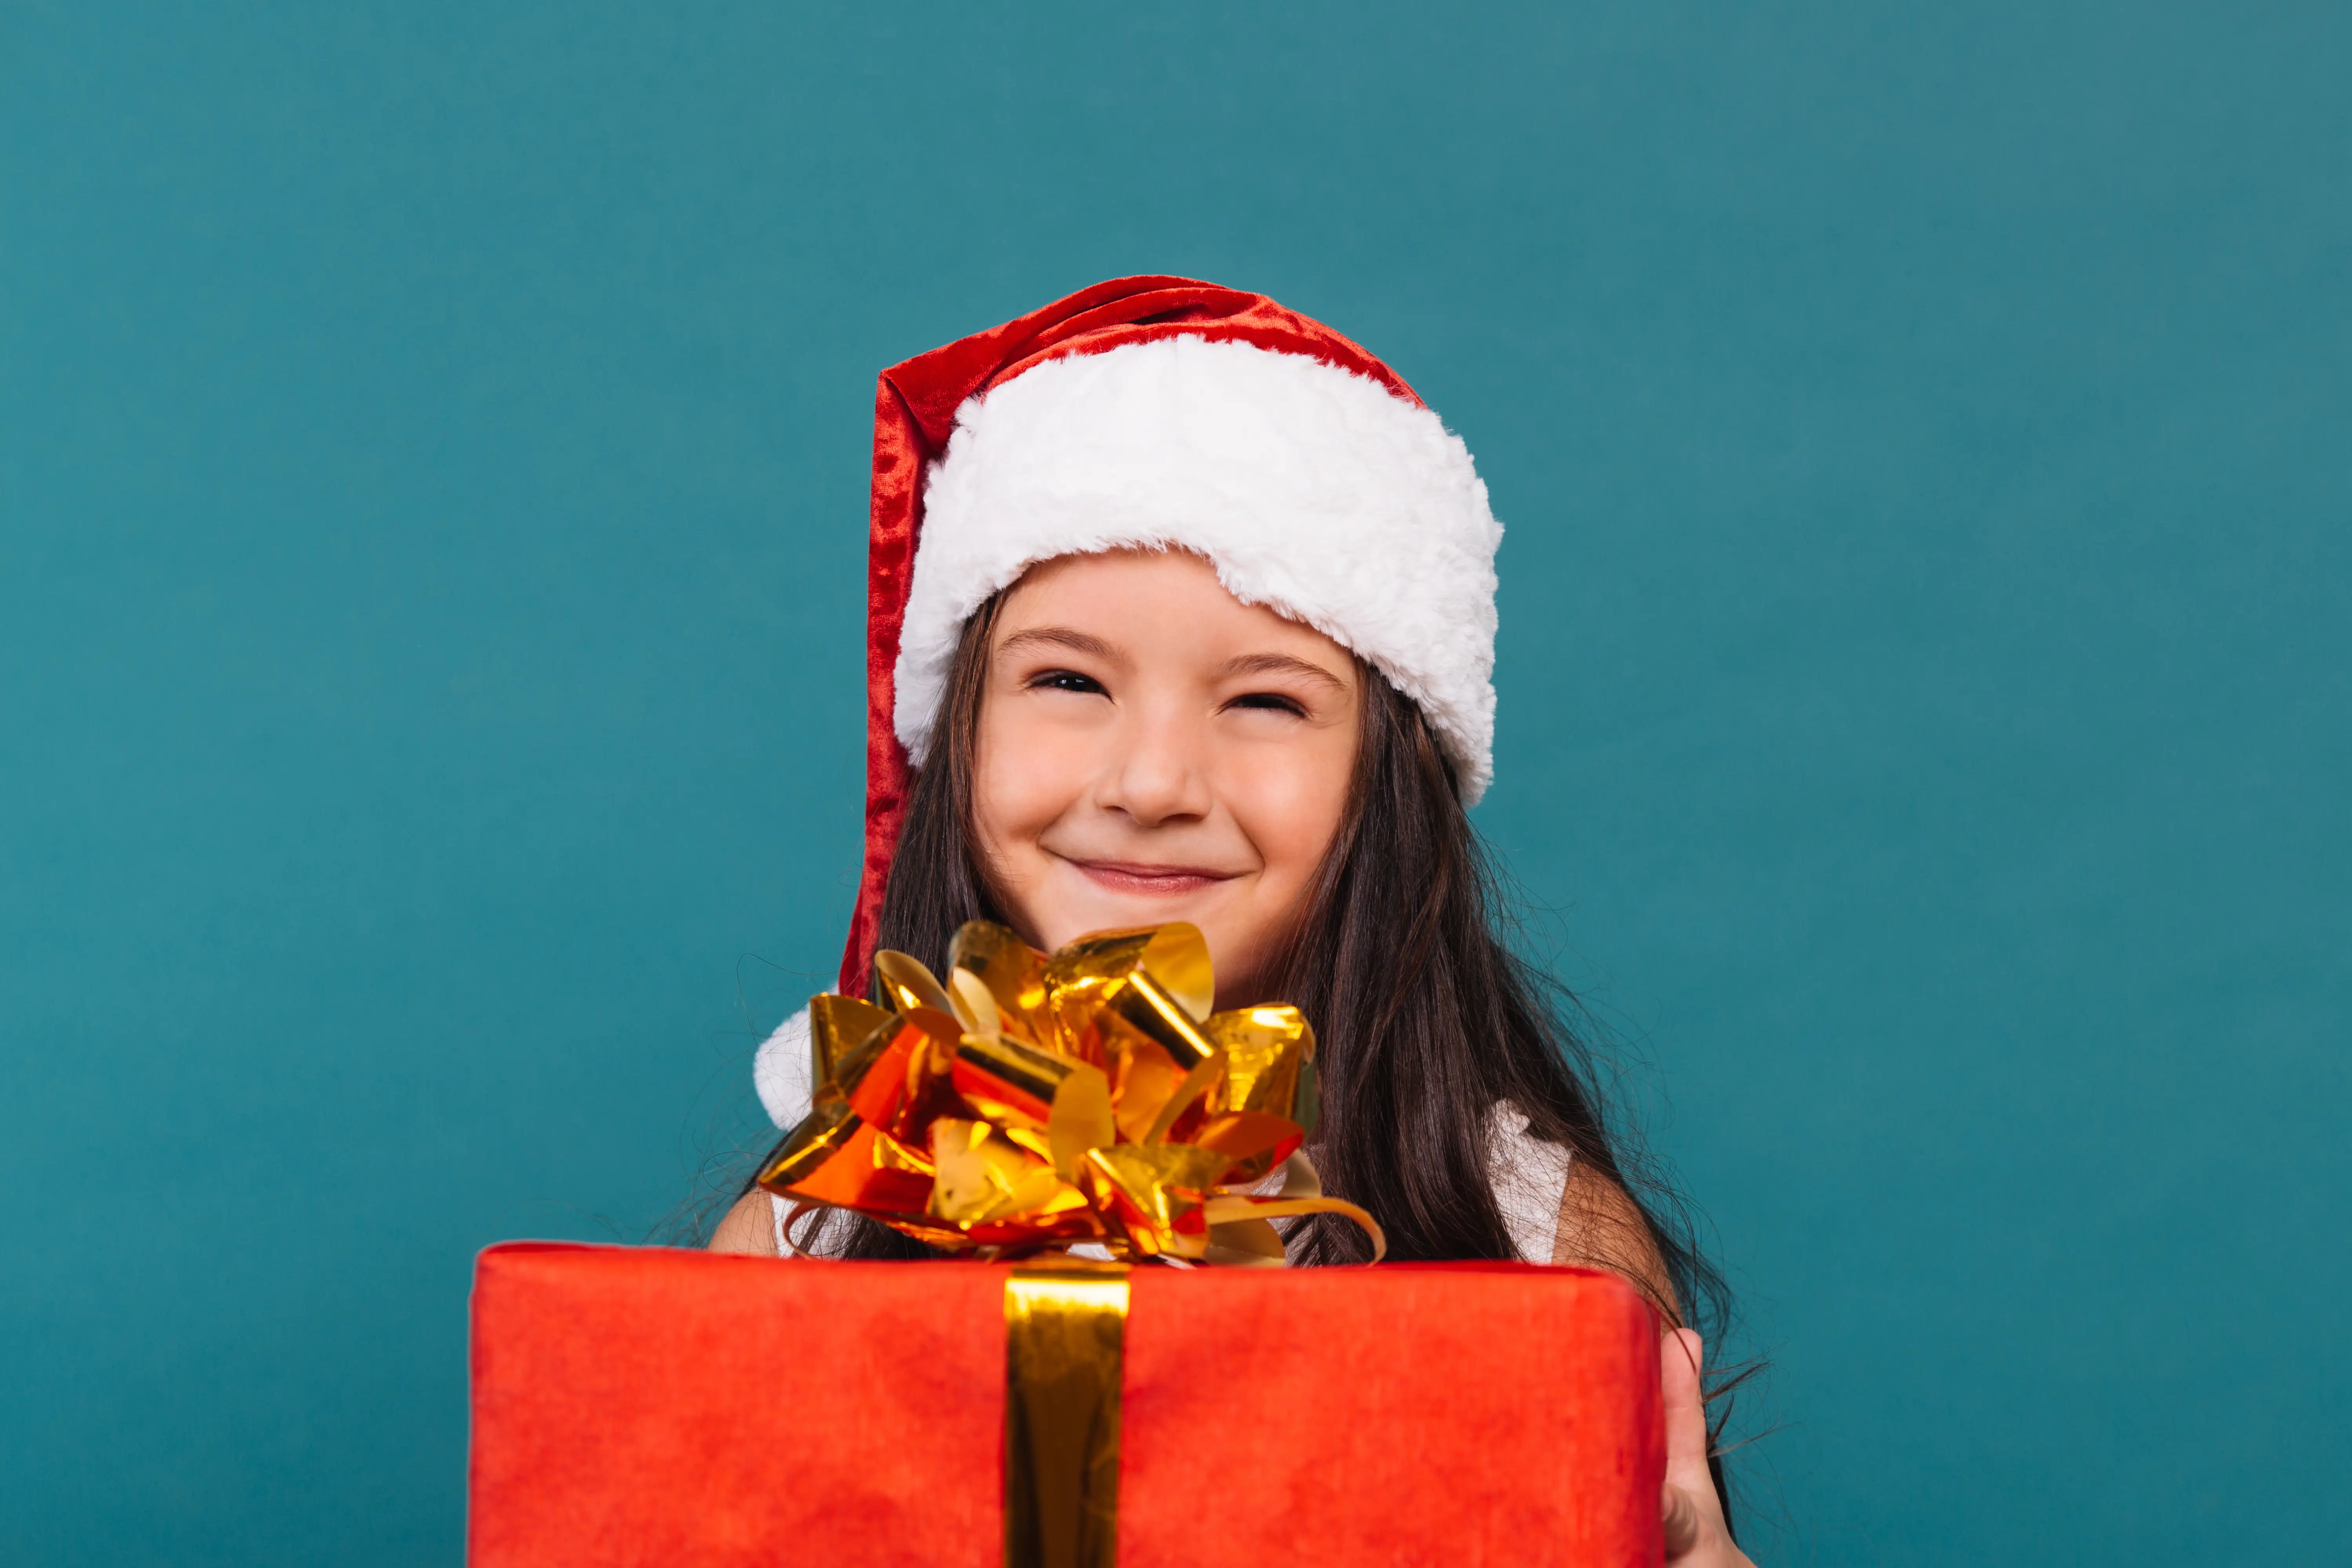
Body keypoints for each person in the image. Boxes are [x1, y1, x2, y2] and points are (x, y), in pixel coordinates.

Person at [707, 278, 1753, 1565]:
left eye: (1265, 702)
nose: (1153, 784)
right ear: (957, 730)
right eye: (1067, 679)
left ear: (1391, 779)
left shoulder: (1542, 1242)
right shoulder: (812, 1230)